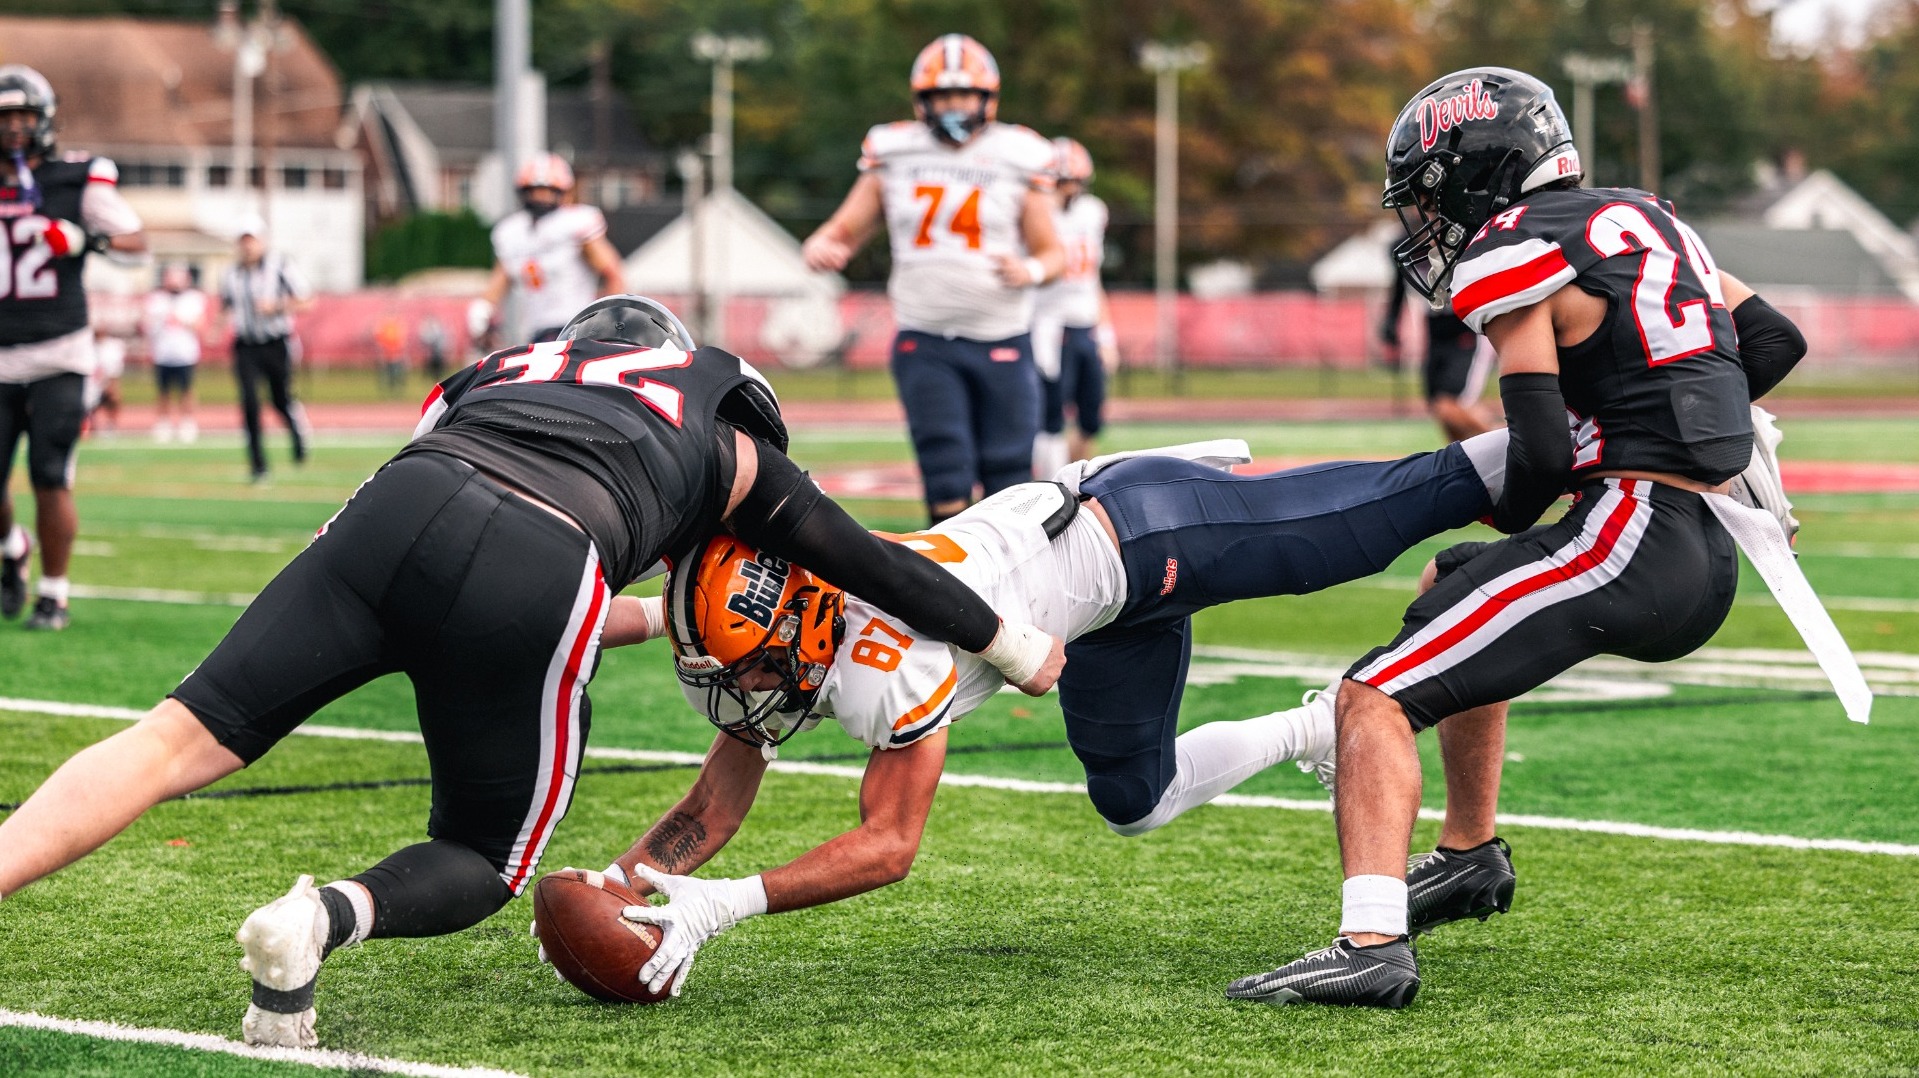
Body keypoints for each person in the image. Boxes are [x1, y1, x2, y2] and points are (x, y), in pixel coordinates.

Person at [0, 295, 1066, 1050]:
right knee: (479, 851)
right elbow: (868, 559)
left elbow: (419, 495)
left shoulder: (497, 369)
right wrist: (1014, 646)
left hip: (391, 514)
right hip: (543, 554)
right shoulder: (714, 408)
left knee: (168, 740)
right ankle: (321, 917)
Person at [1226, 67, 1809, 1009]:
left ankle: (1369, 944)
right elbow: (1773, 340)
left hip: (1627, 534)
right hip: (1700, 543)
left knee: (1371, 696)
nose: (1426, 220)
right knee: (1451, 584)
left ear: (1478, 168)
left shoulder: (1512, 244)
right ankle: (1466, 855)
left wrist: (1540, 479)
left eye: (1428, 193)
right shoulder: (1646, 217)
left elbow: (1536, 451)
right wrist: (1666, 425)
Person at [566, 427, 1514, 998]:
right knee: (1136, 800)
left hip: (1142, 532)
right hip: (1097, 611)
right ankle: (1317, 727)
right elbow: (711, 807)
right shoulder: (785, 617)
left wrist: (724, 906)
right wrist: (620, 885)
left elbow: (889, 845)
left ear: (804, 625)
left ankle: (1590, 439)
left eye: (750, 665)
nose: (742, 692)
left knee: (1383, 515)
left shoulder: (895, 660)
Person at [802, 34, 1063, 523]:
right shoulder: (894, 151)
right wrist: (824, 243)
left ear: (988, 98)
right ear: (922, 101)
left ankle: (1012, 588)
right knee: (945, 472)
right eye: (942, 95)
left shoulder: (1018, 153)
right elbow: (842, 229)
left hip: (1000, 336)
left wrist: (1027, 269)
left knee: (1008, 476)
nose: (953, 105)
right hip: (926, 339)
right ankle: (948, 591)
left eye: (964, 94)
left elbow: (1053, 255)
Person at [0, 64, 146, 632]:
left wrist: (85, 237)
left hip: (60, 350)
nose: (14, 127)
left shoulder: (76, 177)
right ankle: (13, 547)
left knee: (49, 472)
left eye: (23, 116)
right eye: (5, 117)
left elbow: (138, 242)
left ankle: (54, 593)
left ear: (44, 121)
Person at [469, 153, 625, 346]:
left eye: (548, 191)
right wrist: (482, 310)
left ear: (563, 192)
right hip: (536, 331)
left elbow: (613, 273)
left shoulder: (575, 223)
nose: (540, 197)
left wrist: (606, 320)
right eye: (534, 190)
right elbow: (499, 282)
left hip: (576, 327)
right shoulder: (512, 232)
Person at [1030, 136, 1118, 475]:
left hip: (1085, 325)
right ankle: (1049, 489)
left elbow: (1093, 279)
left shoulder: (1093, 212)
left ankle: (1073, 481)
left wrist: (1106, 334)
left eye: (1074, 181)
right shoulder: (1036, 213)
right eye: (1061, 180)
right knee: (1050, 416)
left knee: (1091, 417)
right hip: (1048, 324)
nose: (1068, 189)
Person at [218, 216, 313, 482]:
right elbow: (226, 305)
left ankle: (298, 435)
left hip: (275, 341)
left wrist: (277, 307)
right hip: (246, 344)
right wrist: (215, 327)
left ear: (262, 241)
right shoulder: (231, 273)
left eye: (252, 240)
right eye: (243, 241)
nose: (247, 246)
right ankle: (258, 465)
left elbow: (307, 301)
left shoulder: (280, 266)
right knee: (249, 402)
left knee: (279, 399)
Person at [1378, 270, 1496, 443]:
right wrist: (1392, 319)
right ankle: (1463, 461)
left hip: (1465, 333)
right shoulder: (1414, 252)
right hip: (1436, 337)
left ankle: (1509, 445)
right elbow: (1400, 284)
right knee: (1439, 409)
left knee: (1450, 405)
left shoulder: (1461, 250)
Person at [143, 262, 207, 443]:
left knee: (186, 390)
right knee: (163, 391)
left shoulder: (194, 298)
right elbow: (147, 325)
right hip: (163, 353)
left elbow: (199, 325)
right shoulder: (157, 299)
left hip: (185, 353)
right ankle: (164, 423)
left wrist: (181, 320)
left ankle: (187, 423)